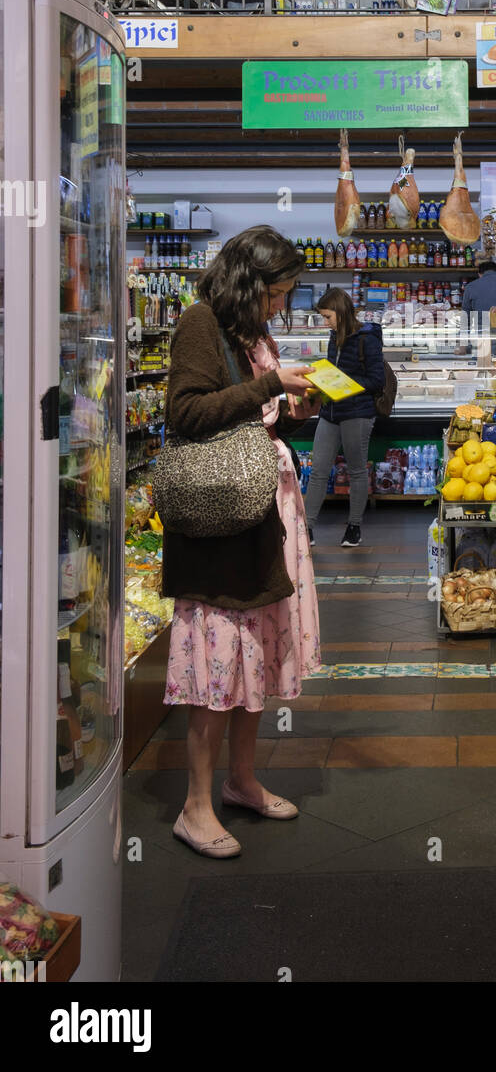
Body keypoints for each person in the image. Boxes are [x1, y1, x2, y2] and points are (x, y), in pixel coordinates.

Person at [161, 226, 322, 859]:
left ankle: (241, 781)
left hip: (261, 515)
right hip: (220, 521)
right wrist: (269, 386)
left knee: (255, 649)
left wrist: (292, 406)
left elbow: (254, 413)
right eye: (276, 293)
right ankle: (194, 806)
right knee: (217, 658)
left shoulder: (249, 334)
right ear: (249, 284)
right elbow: (187, 412)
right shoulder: (200, 324)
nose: (281, 305)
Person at [305, 286, 385, 548]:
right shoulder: (333, 335)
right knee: (318, 470)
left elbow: (376, 381)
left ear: (341, 312)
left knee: (356, 470)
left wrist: (343, 383)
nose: (325, 323)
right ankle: (306, 528)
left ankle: (354, 527)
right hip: (330, 412)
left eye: (328, 317)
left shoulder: (367, 338)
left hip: (357, 412)